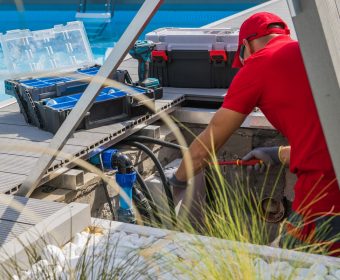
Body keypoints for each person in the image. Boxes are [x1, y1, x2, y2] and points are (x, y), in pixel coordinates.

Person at [169, 12, 340, 255]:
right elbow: (324, 133)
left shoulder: (260, 62)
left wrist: (177, 179)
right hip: (331, 171)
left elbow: (211, 138)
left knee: (289, 263)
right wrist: (278, 154)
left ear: (245, 46)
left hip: (326, 191)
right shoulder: (312, 51)